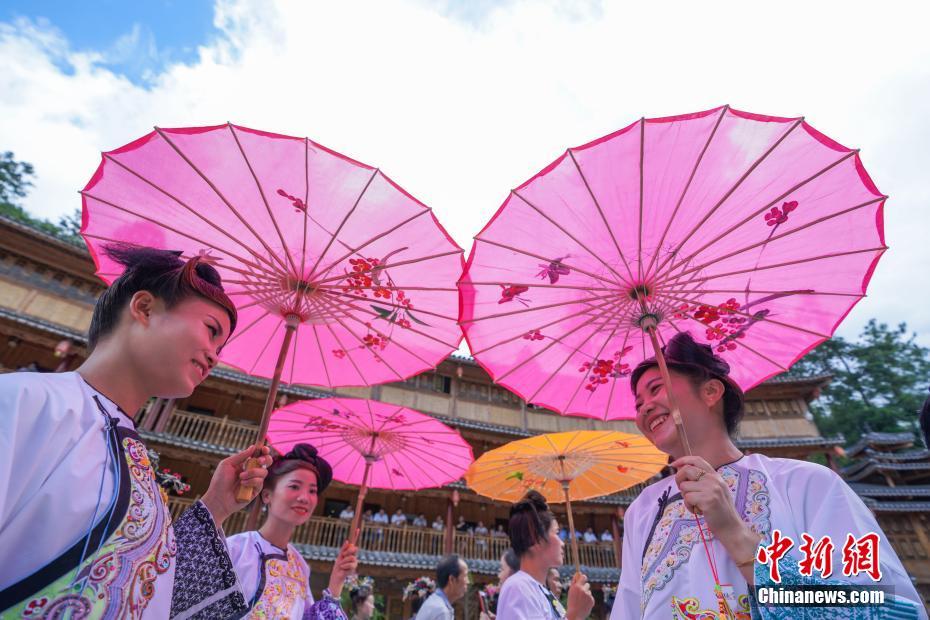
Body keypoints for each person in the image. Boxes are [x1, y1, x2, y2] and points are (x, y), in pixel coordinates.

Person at [0, 245, 272, 618]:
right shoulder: (24, 401)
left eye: (220, 346)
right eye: (211, 331)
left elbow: (147, 593)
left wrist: (217, 506)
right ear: (144, 308)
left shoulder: (142, 472)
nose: (214, 356)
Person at [611, 332, 927, 619]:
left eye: (656, 389)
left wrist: (737, 535)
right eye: (638, 403)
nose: (644, 408)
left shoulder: (807, 484)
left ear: (710, 391)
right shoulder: (643, 511)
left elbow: (884, 610)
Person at [226, 444, 358, 618]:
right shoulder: (234, 549)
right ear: (267, 495)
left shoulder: (300, 566)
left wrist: (336, 582)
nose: (304, 498)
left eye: (312, 491)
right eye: (294, 486)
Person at [495, 491, 594, 620]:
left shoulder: (544, 592)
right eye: (556, 533)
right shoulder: (517, 588)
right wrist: (574, 615)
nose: (562, 543)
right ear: (535, 538)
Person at [414, 554, 469, 620]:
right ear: (452, 580)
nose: (468, 581)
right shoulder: (441, 611)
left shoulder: (436, 602)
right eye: (465, 576)